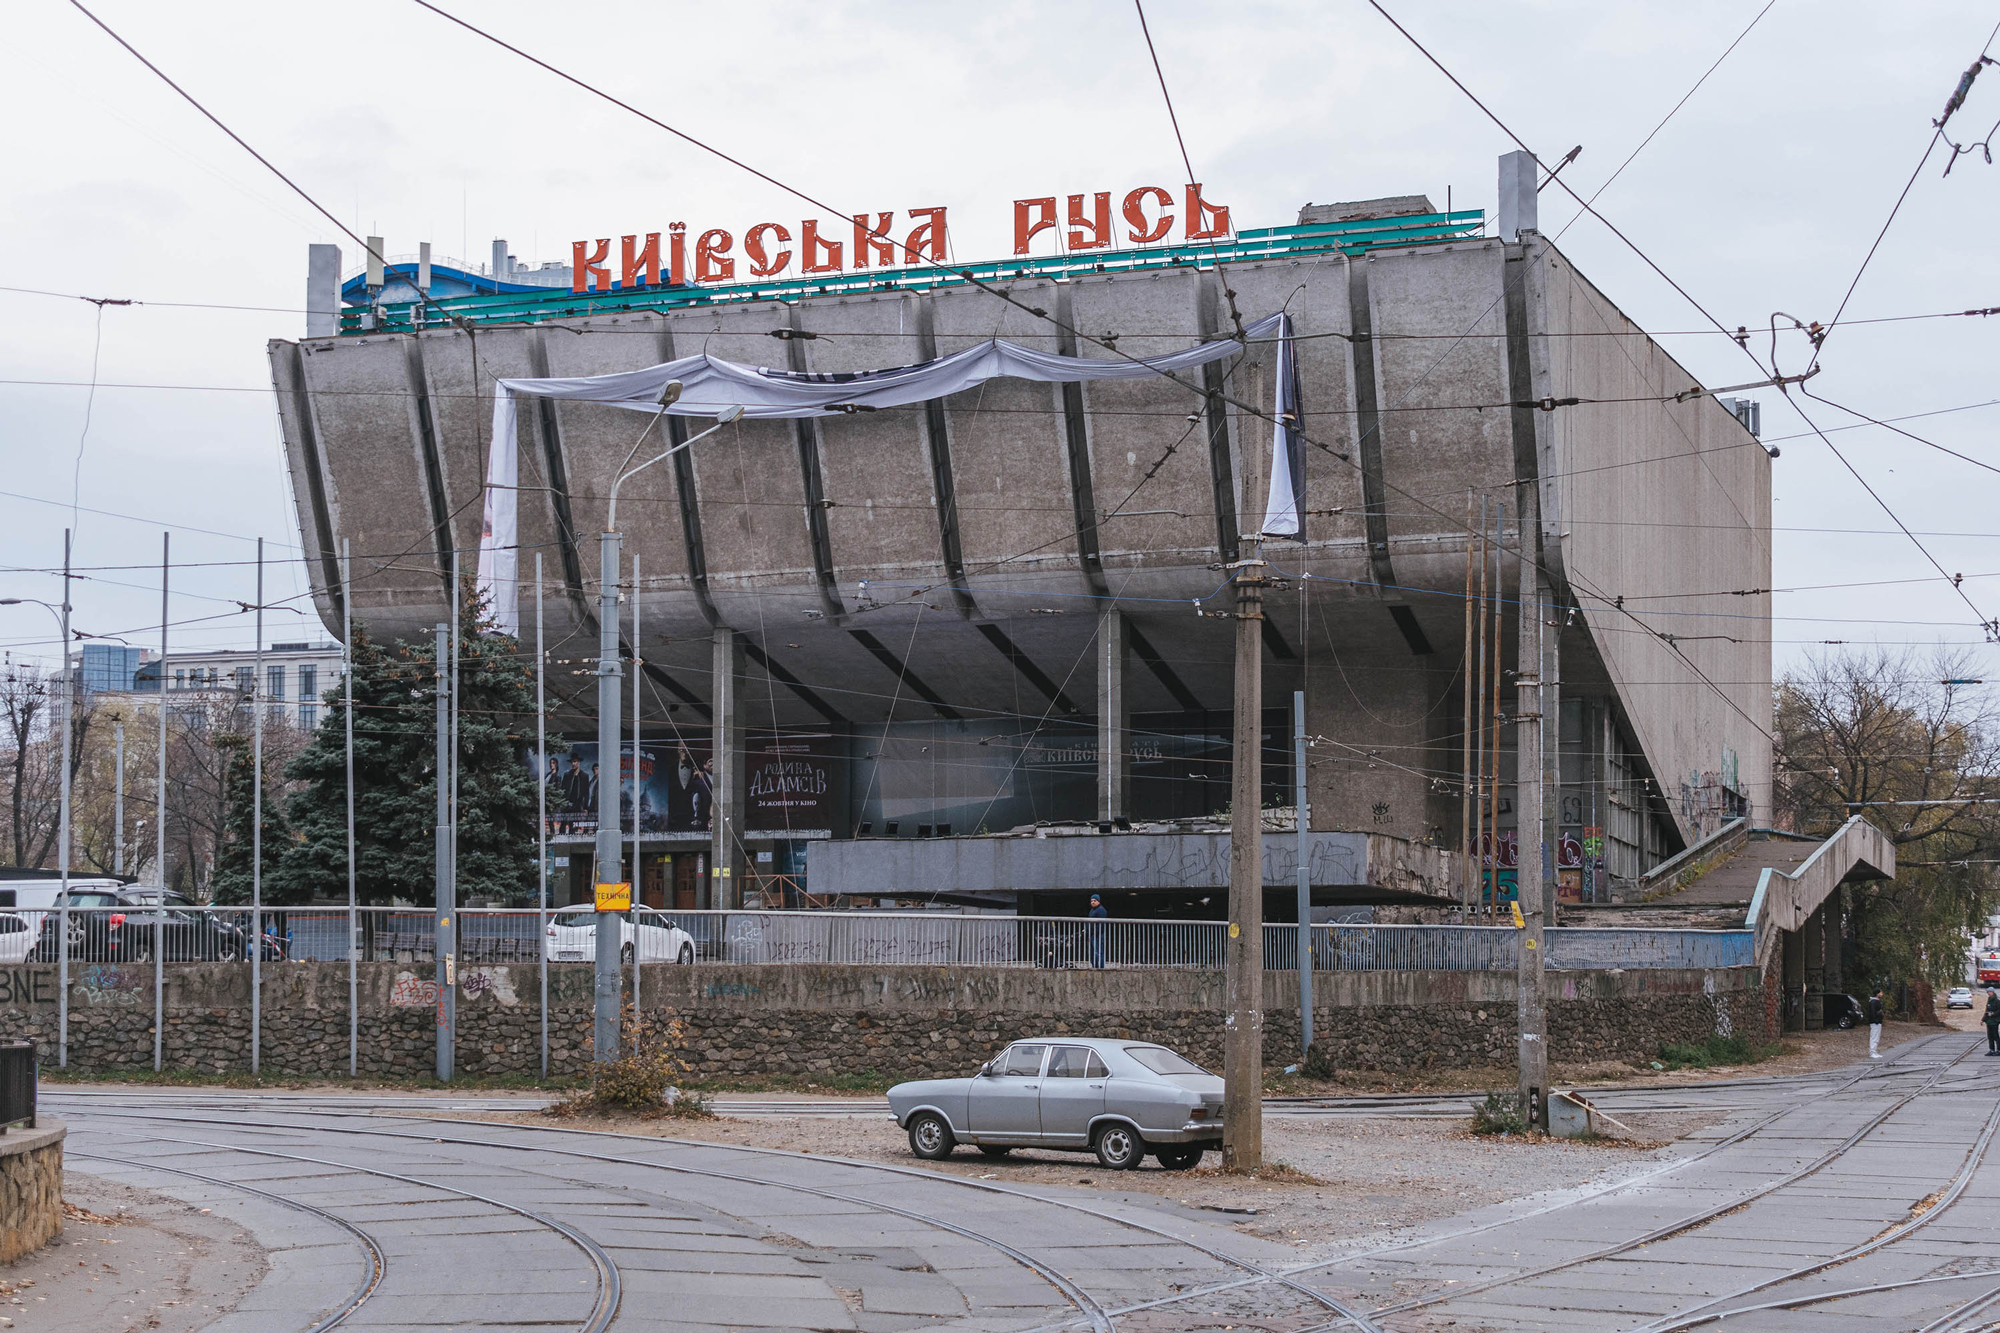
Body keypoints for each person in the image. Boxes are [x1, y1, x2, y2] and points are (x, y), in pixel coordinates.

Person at [1087, 893, 1108, 970]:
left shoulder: (1101, 911)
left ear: (1098, 901)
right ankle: (1095, 966)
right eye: (1091, 901)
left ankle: (1100, 967)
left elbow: (1100, 925)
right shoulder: (1093, 910)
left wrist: (1092, 931)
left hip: (1097, 935)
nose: (1092, 902)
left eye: (1094, 901)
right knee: (1093, 953)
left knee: (1098, 952)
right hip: (1092, 934)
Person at [1867, 988, 1886, 1059]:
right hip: (1875, 1022)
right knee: (1874, 1037)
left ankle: (1874, 1051)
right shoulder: (1874, 1002)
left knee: (1876, 1037)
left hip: (1877, 1021)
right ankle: (1872, 1052)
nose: (1882, 994)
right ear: (1877, 994)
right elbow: (1872, 1012)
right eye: (1880, 993)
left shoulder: (1875, 1001)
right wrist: (1875, 1020)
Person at [1985, 987, 2000, 1056]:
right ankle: (1992, 1050)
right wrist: (1983, 1019)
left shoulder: (1997, 1000)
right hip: (1989, 1021)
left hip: (1995, 1021)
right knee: (1990, 1036)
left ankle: (1998, 1050)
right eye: (1987, 992)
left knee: (1995, 1036)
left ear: (1993, 992)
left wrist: (1993, 1014)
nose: (1988, 993)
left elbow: (1999, 1011)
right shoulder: (1989, 1000)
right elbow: (1987, 1010)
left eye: (1989, 992)